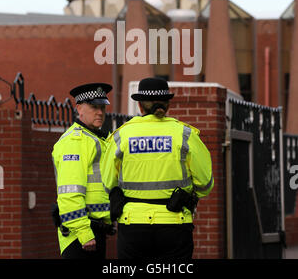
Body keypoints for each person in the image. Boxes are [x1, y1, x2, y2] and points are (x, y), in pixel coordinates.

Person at [101, 77, 214, 260]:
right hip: (175, 223)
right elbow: (205, 184)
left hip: (132, 225)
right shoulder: (185, 134)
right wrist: (189, 195)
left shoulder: (121, 136)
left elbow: (108, 183)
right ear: (167, 104)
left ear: (139, 105)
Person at [52, 82, 114, 259]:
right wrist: (84, 233)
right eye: (94, 107)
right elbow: (70, 192)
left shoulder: (96, 138)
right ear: (79, 108)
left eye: (102, 107)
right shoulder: (75, 142)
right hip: (80, 235)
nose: (100, 112)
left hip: (94, 229)